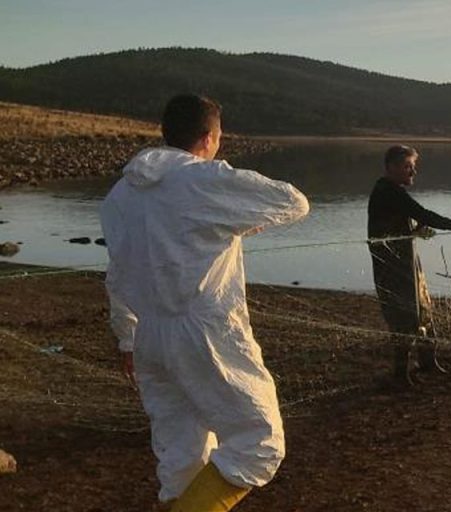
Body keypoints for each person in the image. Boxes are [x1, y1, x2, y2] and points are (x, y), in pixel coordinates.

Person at [101, 94, 310, 511]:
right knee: (260, 443)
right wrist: (231, 224)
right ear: (208, 136)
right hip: (203, 333)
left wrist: (127, 336)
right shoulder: (203, 179)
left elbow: (120, 270)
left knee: (181, 457)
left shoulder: (120, 194)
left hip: (149, 337)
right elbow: (293, 202)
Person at [368, 145, 451, 387]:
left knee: (423, 308)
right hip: (392, 266)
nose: (412, 173)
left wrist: (415, 231)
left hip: (406, 261)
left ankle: (428, 363)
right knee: (404, 314)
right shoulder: (387, 190)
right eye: (407, 167)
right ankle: (400, 375)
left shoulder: (392, 191)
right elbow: (421, 212)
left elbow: (404, 221)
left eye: (413, 167)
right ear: (391, 167)